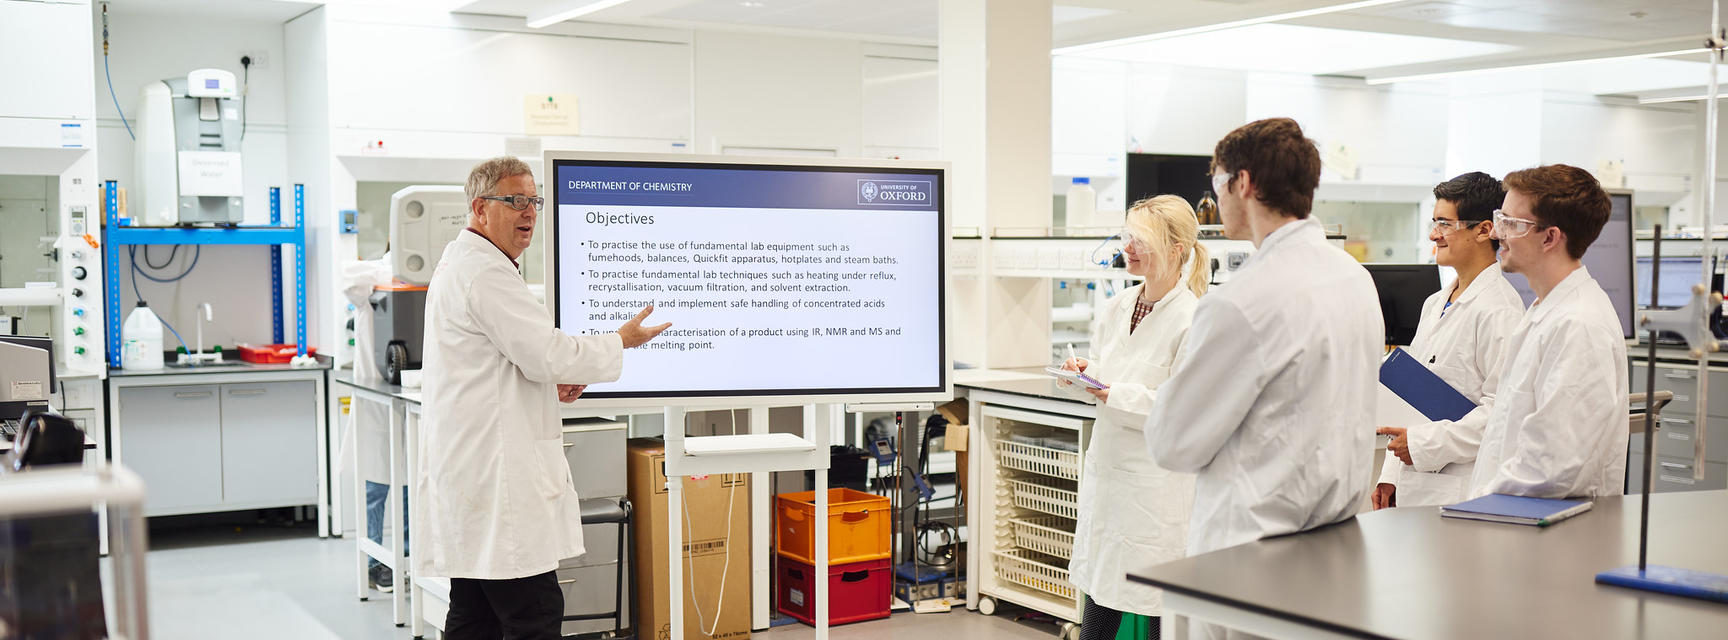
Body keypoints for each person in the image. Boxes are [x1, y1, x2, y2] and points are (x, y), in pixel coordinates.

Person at [414, 157, 670, 639]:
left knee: (474, 615)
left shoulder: (469, 262)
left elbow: (510, 361)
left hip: (476, 474)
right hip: (496, 480)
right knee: (533, 614)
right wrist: (620, 341)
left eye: (533, 200)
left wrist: (553, 378)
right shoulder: (484, 272)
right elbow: (545, 352)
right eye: (514, 200)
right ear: (479, 208)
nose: (528, 211)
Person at [1144, 118, 1383, 557]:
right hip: (1336, 538)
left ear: (1244, 184)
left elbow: (1172, 443)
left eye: (1218, 181)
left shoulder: (1243, 300)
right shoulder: (1355, 278)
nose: (1215, 195)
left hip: (1251, 549)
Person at [1062, 196, 1207, 640]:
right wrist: (1087, 376)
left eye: (1140, 240)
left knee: (1159, 596)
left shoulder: (1194, 316)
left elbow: (1181, 406)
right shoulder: (1119, 305)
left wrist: (1111, 392)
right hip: (1109, 473)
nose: (1129, 247)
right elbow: (1110, 374)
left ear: (1177, 247)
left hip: (1155, 484)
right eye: (1127, 237)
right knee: (1101, 585)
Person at [1466, 164, 1628, 499]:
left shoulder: (1579, 324)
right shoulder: (1546, 311)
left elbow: (1553, 466)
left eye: (1511, 223)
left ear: (1550, 237)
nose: (1498, 233)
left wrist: (1476, 504)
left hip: (1546, 534)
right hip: (1512, 523)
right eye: (1501, 219)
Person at [1372, 172, 1524, 509]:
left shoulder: (1501, 311)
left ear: (1485, 230)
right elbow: (1409, 401)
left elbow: (1501, 413)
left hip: (1462, 487)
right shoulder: (1433, 303)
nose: (1433, 234)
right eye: (1434, 222)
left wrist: (1424, 445)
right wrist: (1390, 476)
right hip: (1415, 482)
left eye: (1444, 224)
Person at [339, 251, 405, 592]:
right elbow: (350, 276)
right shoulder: (373, 282)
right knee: (376, 489)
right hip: (376, 400)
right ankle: (375, 564)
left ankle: (408, 560)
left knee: (410, 488)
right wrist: (395, 267)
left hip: (409, 398)